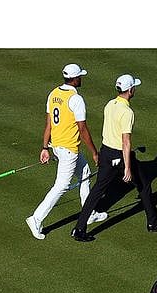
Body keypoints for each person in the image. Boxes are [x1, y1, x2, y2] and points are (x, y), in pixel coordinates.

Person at [71, 74, 157, 242]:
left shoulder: (109, 104)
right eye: (134, 87)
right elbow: (126, 141)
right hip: (119, 155)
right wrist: (127, 167)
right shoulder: (127, 112)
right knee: (144, 185)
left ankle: (79, 228)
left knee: (96, 191)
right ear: (130, 90)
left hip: (105, 153)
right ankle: (153, 222)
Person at [25, 63, 102, 240]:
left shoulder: (53, 94)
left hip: (57, 146)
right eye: (80, 76)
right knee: (61, 186)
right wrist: (94, 152)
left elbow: (49, 124)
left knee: (85, 173)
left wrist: (45, 147)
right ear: (75, 79)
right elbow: (83, 129)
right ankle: (36, 218)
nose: (81, 79)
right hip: (68, 149)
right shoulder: (76, 99)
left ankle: (88, 212)